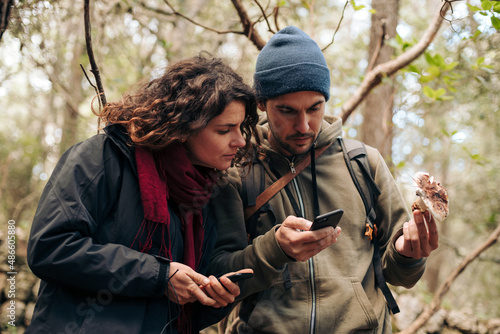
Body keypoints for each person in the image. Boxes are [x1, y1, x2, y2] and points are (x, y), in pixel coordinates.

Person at [208, 26, 439, 333]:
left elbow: (399, 275)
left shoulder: (363, 164)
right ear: (261, 104)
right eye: (287, 111)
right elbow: (218, 274)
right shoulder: (237, 170)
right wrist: (275, 250)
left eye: (315, 108)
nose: (303, 125)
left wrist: (409, 255)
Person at [26, 54, 258, 334]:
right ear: (186, 127)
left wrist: (214, 299)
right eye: (225, 130)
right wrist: (159, 276)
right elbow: (50, 247)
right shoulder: (103, 158)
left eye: (240, 127)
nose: (240, 140)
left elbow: (183, 314)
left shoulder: (203, 195)